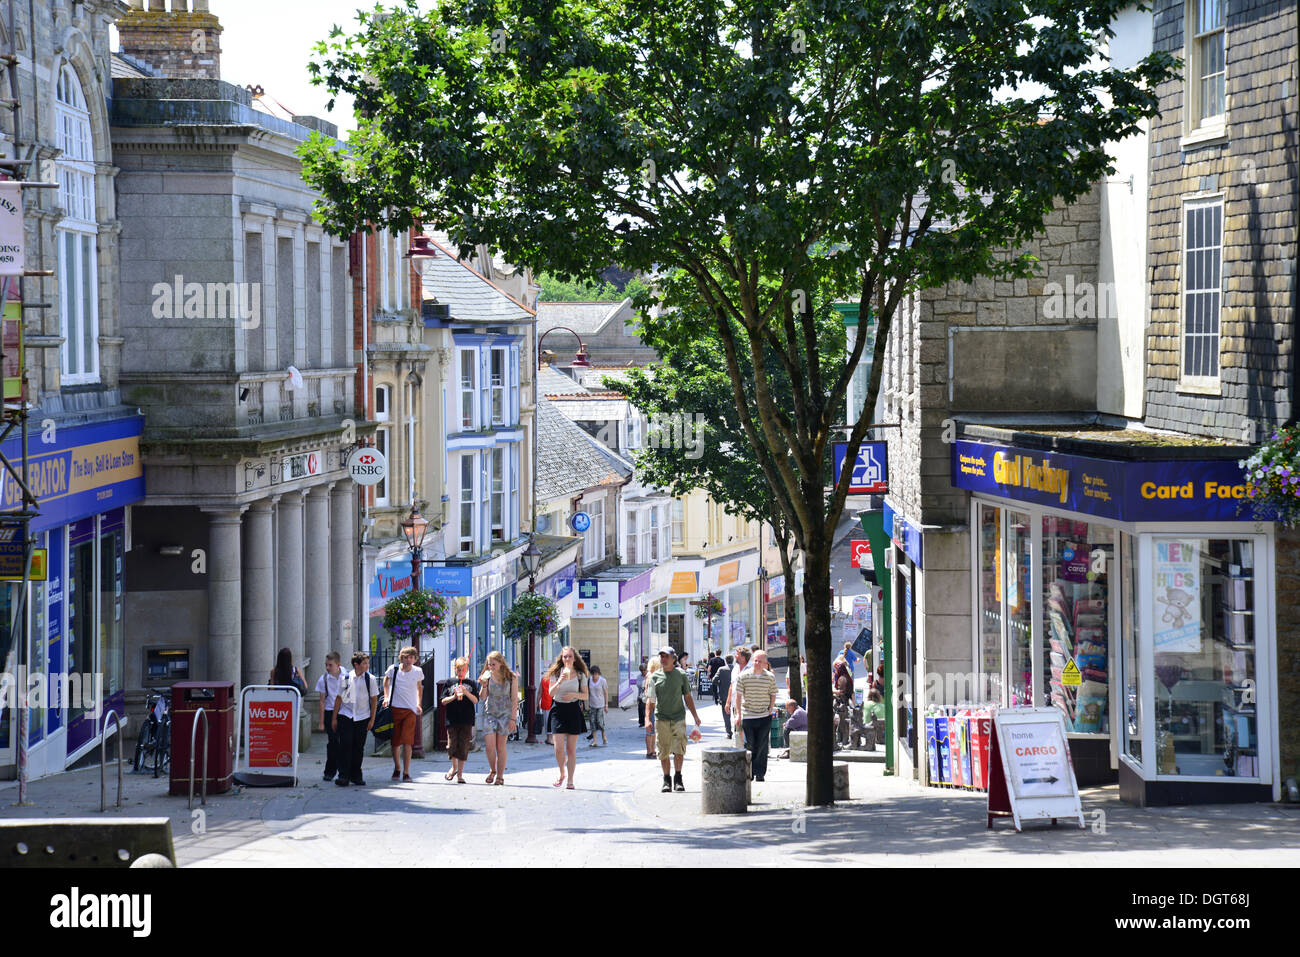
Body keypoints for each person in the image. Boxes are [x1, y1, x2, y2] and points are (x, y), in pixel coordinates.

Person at [646, 646, 702, 792]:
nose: (663, 659)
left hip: (678, 718)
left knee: (679, 749)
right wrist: (647, 719)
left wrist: (695, 716)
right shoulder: (655, 677)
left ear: (673, 659)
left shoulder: (681, 675)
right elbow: (651, 700)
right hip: (661, 719)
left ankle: (678, 778)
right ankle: (666, 780)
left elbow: (688, 697)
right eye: (661, 656)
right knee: (663, 750)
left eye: (666, 656)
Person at [545, 647, 589, 788]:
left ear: (574, 658)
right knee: (558, 748)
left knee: (571, 749)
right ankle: (561, 772)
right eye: (565, 657)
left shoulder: (581, 675)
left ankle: (570, 780)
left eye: (570, 656)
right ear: (561, 658)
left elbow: (586, 695)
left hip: (573, 710)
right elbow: (551, 693)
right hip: (558, 710)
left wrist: (574, 695)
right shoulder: (556, 673)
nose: (567, 659)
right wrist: (559, 681)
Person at [333, 652, 377, 787]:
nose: (367, 666)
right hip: (346, 715)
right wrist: (334, 718)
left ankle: (356, 775)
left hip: (363, 716)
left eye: (368, 663)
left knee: (359, 747)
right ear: (356, 664)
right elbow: (339, 698)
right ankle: (343, 775)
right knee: (345, 745)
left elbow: (374, 699)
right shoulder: (346, 678)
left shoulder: (370, 679)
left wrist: (372, 719)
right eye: (364, 663)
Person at [735, 650, 778, 781]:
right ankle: (750, 771)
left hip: (764, 715)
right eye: (755, 660)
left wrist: (771, 708)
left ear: (765, 663)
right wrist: (738, 714)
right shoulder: (744, 676)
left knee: (762, 745)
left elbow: (773, 693)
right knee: (751, 744)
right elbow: (738, 696)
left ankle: (760, 773)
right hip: (748, 715)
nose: (757, 663)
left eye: (760, 661)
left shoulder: (770, 677)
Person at [383, 646, 424, 783]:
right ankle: (397, 768)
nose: (409, 660)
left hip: (410, 710)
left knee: (408, 742)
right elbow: (385, 681)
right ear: (401, 658)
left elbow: (419, 688)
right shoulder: (393, 669)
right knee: (395, 742)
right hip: (395, 708)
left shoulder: (417, 671)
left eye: (411, 657)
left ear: (415, 659)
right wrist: (386, 697)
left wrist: (418, 703)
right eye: (406, 657)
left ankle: (406, 771)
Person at [478, 651, 518, 785]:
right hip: (490, 713)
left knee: (501, 747)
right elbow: (482, 697)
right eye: (489, 664)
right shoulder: (486, 676)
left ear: (501, 663)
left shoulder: (511, 677)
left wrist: (513, 719)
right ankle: (492, 769)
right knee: (489, 747)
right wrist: (483, 685)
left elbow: (514, 700)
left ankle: (500, 776)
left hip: (505, 715)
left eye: (493, 664)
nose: (491, 667)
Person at [440, 657, 478, 783]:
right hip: (452, 719)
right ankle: (454, 767)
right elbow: (443, 701)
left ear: (467, 670)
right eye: (458, 669)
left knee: (464, 746)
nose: (460, 672)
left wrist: (466, 692)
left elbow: (476, 700)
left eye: (463, 669)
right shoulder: (450, 682)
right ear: (455, 669)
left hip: (467, 719)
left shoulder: (471, 683)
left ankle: (460, 774)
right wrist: (454, 696)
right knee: (451, 745)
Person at [315, 651, 345, 782]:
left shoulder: (347, 676)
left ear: (338, 665)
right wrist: (321, 722)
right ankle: (330, 771)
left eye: (330, 665)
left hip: (344, 712)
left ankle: (343, 770)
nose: (327, 668)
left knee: (343, 743)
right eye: (326, 665)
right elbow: (322, 701)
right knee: (333, 742)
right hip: (330, 711)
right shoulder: (324, 679)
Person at [726, 646, 752, 748]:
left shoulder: (750, 669)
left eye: (737, 655)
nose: (735, 656)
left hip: (746, 703)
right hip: (735, 703)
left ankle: (747, 747)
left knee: (746, 726)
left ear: (743, 657)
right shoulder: (735, 668)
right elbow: (732, 685)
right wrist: (728, 702)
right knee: (738, 726)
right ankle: (740, 747)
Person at [586, 665, 609, 748]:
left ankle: (603, 735)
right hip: (592, 704)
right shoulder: (589, 681)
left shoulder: (602, 681)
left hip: (600, 704)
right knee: (592, 722)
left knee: (599, 721)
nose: (595, 676)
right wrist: (586, 703)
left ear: (598, 673)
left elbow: (606, 693)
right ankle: (595, 741)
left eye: (596, 674)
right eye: (593, 674)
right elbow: (587, 692)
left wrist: (606, 705)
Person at [643, 657, 661, 759]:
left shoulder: (649, 675)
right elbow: (649, 693)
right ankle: (650, 751)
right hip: (651, 704)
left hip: (651, 703)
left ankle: (652, 750)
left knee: (652, 730)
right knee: (650, 730)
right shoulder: (651, 676)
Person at [713, 655, 734, 736]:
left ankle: (729, 732)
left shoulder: (721, 669)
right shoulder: (736, 669)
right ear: (733, 660)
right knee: (737, 713)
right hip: (735, 695)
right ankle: (737, 730)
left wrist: (720, 684)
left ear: (726, 660)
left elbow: (714, 680)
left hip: (724, 694)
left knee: (726, 715)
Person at [540, 665, 555, 745]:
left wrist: (537, 702)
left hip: (545, 703)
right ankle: (550, 738)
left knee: (547, 721)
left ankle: (548, 738)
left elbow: (539, 692)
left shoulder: (543, 679)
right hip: (552, 703)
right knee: (552, 721)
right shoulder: (555, 680)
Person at [636, 662, 648, 728]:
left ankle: (646, 721)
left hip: (647, 695)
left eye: (644, 670)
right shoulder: (639, 676)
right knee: (640, 709)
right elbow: (638, 685)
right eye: (641, 670)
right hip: (641, 695)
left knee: (645, 709)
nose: (643, 671)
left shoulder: (649, 676)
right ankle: (641, 722)